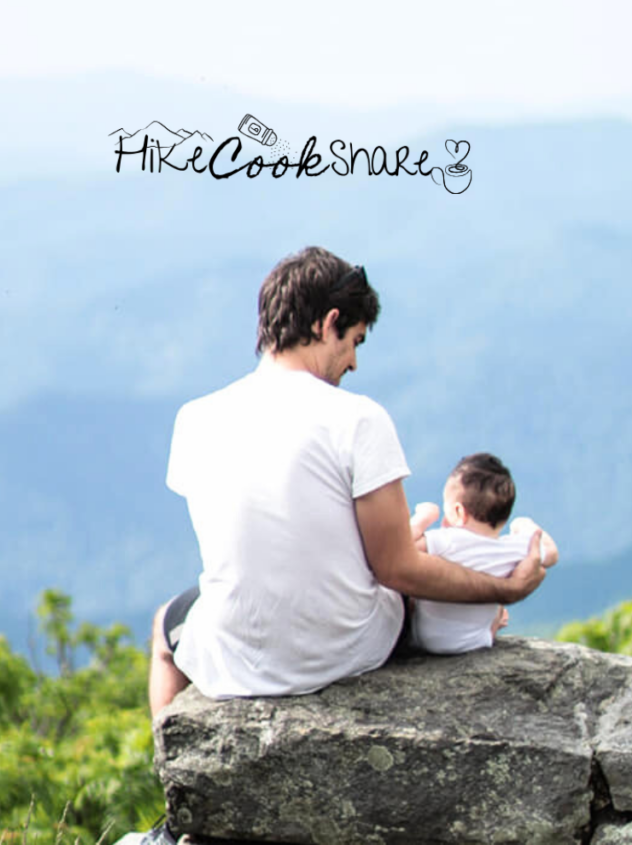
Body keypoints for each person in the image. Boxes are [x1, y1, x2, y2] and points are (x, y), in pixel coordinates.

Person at [149, 248, 546, 713]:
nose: (353, 362)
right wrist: (507, 589)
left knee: (163, 628)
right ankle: (478, 626)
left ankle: (167, 756)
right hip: (344, 650)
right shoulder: (359, 419)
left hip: (233, 655)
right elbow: (397, 570)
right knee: (415, 572)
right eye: (355, 341)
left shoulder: (194, 418)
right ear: (328, 322)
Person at [408, 453, 559, 654]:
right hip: (477, 641)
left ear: (459, 512)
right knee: (497, 603)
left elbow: (404, 547)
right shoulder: (512, 549)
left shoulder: (446, 539)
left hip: (425, 639)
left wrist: (424, 517)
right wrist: (524, 525)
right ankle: (495, 623)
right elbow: (551, 553)